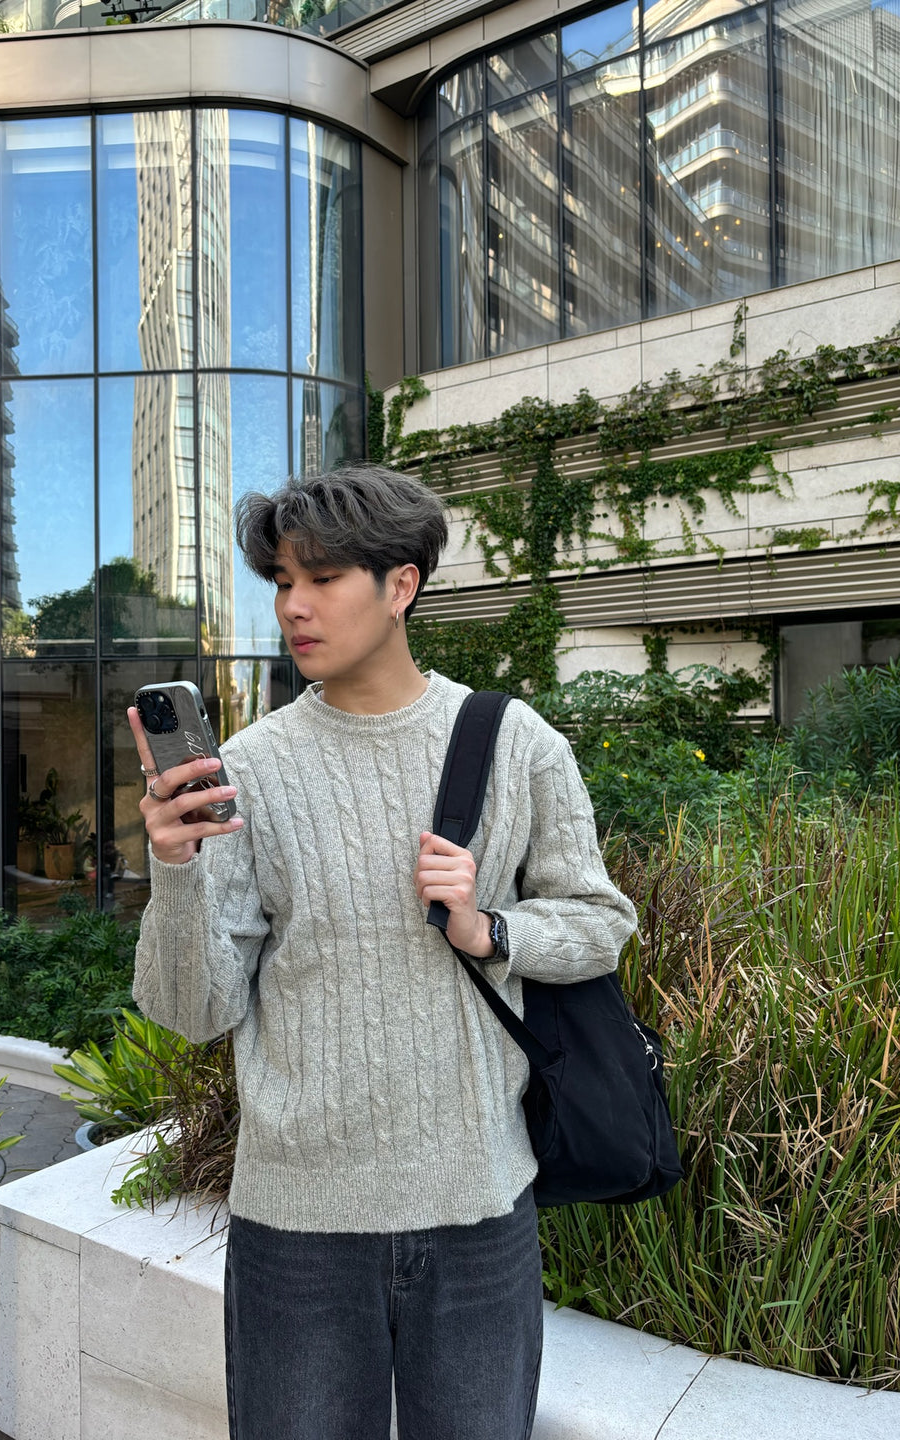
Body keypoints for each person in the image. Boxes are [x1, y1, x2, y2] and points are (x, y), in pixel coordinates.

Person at [128, 463, 638, 1440]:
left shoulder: (516, 742)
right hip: (297, 1228)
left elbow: (600, 922)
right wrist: (176, 869)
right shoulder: (249, 769)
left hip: (477, 1208)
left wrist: (491, 930)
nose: (294, 605)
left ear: (401, 585)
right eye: (283, 581)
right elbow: (194, 1012)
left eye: (323, 578)